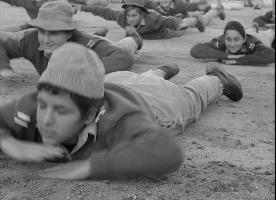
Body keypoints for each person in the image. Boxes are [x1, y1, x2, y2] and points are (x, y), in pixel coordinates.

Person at [0, 42, 243, 180]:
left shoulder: (121, 121)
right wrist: (11, 143)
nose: (45, 119)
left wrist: (92, 166)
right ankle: (159, 71)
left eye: (61, 111)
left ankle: (216, 79)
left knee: (190, 97)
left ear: (88, 116)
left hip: (154, 102)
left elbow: (167, 154)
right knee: (136, 78)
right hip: (113, 80)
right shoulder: (38, 102)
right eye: (43, 106)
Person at [0, 0, 135, 78]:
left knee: (127, 44)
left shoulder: (84, 42)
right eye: (42, 32)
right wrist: (4, 68)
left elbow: (124, 57)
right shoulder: (32, 38)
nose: (46, 39)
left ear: (69, 34)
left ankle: (134, 38)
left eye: (54, 33)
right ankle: (99, 32)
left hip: (104, 46)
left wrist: (77, 72)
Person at [77, 0, 208, 40]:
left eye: (134, 16)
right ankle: (186, 16)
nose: (130, 19)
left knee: (183, 26)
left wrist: (182, 23)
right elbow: (103, 11)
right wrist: (81, 7)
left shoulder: (152, 19)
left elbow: (168, 21)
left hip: (165, 32)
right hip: (143, 35)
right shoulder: (121, 17)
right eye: (128, 15)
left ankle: (196, 19)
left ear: (141, 15)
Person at [190, 20, 275, 65]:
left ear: (244, 40)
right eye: (229, 39)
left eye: (236, 40)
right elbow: (196, 50)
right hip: (244, 33)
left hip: (260, 38)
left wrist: (239, 60)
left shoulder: (251, 43)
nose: (232, 44)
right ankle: (252, 28)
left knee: (268, 35)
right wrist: (228, 56)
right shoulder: (221, 41)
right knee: (245, 29)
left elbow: (271, 55)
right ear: (224, 38)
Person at [143, 0, 212, 19]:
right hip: (169, 19)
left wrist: (204, 7)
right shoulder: (154, 4)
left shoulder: (179, 4)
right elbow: (144, 3)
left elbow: (193, 6)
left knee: (199, 17)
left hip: (183, 15)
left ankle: (217, 11)